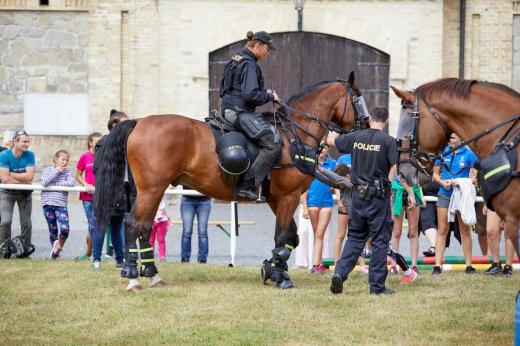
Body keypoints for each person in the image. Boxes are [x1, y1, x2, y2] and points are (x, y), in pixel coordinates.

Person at [327, 107, 398, 295]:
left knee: (355, 237)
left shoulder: (356, 136)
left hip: (357, 196)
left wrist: (335, 128)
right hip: (378, 198)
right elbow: (394, 167)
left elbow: (330, 141)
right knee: (380, 241)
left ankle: (340, 272)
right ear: (387, 121)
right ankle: (376, 287)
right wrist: (388, 185)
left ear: (370, 119)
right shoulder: (389, 141)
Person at [219, 30, 281, 201]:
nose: (267, 53)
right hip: (240, 112)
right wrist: (270, 96)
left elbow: (224, 88)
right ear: (258, 45)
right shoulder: (250, 64)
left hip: (228, 108)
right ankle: (248, 185)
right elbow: (250, 95)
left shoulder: (236, 59)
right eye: (267, 49)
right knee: (272, 143)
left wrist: (262, 92)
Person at [431, 133, 478, 275]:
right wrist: (442, 183)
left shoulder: (469, 154)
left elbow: (475, 177)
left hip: (461, 195)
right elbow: (435, 174)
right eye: (449, 138)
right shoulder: (443, 152)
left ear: (461, 139)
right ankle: (437, 266)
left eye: (453, 137)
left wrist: (461, 183)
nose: (450, 140)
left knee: (464, 229)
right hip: (445, 194)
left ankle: (469, 266)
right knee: (442, 229)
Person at [92, 110, 129, 270]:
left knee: (117, 226)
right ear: (113, 125)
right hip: (105, 191)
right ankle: (96, 259)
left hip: (120, 191)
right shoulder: (104, 143)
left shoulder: (127, 144)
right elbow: (97, 168)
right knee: (100, 226)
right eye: (123, 123)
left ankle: (120, 259)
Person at [0, 130, 36, 258]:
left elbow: (30, 176)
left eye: (28, 142)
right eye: (24, 142)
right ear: (15, 142)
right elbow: (4, 178)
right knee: (5, 221)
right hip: (7, 193)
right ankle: (3, 251)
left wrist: (10, 173)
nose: (27, 144)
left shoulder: (30, 155)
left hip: (24, 194)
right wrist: (22, 178)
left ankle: (25, 251)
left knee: (26, 223)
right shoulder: (4, 155)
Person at [302, 144, 336, 274]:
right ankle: (317, 264)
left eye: (325, 147)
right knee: (317, 234)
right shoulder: (309, 165)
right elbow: (304, 188)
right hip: (312, 203)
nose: (322, 150)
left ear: (328, 149)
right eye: (320, 147)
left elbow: (338, 180)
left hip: (327, 203)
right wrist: (305, 207)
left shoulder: (332, 163)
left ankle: (317, 264)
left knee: (320, 233)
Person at [41, 150, 75, 259]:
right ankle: (55, 254)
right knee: (53, 229)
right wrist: (56, 171)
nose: (65, 162)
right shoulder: (48, 170)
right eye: (62, 159)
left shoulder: (68, 172)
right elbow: (45, 182)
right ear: (56, 159)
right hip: (47, 203)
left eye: (67, 160)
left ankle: (57, 250)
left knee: (65, 228)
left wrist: (55, 184)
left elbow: (71, 183)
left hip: (61, 205)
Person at [75, 132, 102, 260]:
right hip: (87, 197)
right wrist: (85, 184)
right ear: (90, 143)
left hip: (101, 195)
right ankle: (91, 252)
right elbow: (78, 175)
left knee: (97, 224)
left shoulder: (104, 156)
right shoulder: (85, 157)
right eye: (96, 142)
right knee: (92, 224)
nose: (98, 144)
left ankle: (92, 253)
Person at [390, 176, 423, 274]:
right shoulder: (397, 161)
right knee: (396, 232)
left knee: (413, 232)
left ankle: (414, 266)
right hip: (397, 190)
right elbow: (393, 174)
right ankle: (393, 266)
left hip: (414, 189)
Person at [180, 187, 211, 263]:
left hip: (204, 201)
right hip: (187, 200)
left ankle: (202, 258)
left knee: (202, 232)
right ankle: (185, 258)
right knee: (187, 231)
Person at [419, 181, 440, 257]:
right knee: (427, 220)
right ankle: (434, 246)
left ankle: (436, 247)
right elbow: (415, 183)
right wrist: (420, 195)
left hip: (447, 196)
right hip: (426, 199)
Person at [150, 195, 169, 262]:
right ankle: (150, 256)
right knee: (151, 239)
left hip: (162, 218)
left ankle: (162, 257)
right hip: (151, 218)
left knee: (161, 239)